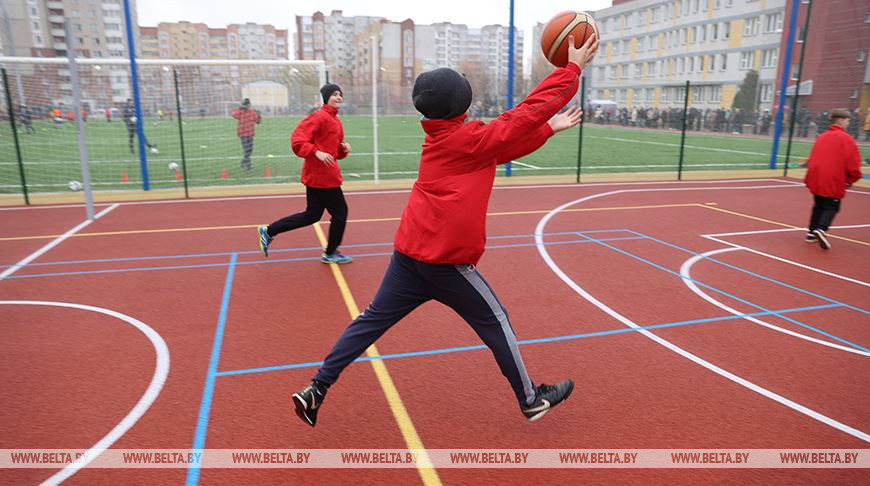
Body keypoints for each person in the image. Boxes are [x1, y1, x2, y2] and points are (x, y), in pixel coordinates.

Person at [290, 33, 599, 428]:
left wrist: (548, 130)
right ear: (461, 104)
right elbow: (521, 116)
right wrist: (570, 70)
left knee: (368, 323)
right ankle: (530, 399)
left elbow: (504, 145)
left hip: (408, 257)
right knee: (497, 321)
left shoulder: (446, 140)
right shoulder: (468, 139)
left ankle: (316, 388)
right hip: (447, 265)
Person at [257, 83, 353, 264]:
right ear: (326, 98)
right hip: (322, 178)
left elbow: (334, 153)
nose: (338, 97)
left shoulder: (335, 121)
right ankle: (330, 252)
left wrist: (343, 149)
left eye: (340, 94)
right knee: (340, 213)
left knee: (312, 215)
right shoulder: (319, 117)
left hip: (325, 176)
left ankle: (269, 231)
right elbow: (297, 140)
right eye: (334, 94)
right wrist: (316, 151)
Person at [803, 109, 863, 250]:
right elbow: (853, 162)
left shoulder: (822, 136)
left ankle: (811, 232)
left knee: (819, 204)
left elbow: (813, 158)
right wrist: (852, 178)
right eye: (848, 120)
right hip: (833, 177)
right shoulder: (846, 139)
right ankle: (821, 229)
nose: (848, 123)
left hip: (817, 177)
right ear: (841, 120)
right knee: (832, 205)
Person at [231, 98, 261, 171]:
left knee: (249, 150)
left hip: (250, 133)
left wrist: (259, 115)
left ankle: (243, 161)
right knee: (246, 149)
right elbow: (234, 115)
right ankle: (248, 165)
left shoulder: (252, 112)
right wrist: (240, 109)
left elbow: (257, 121)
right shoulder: (240, 112)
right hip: (243, 133)